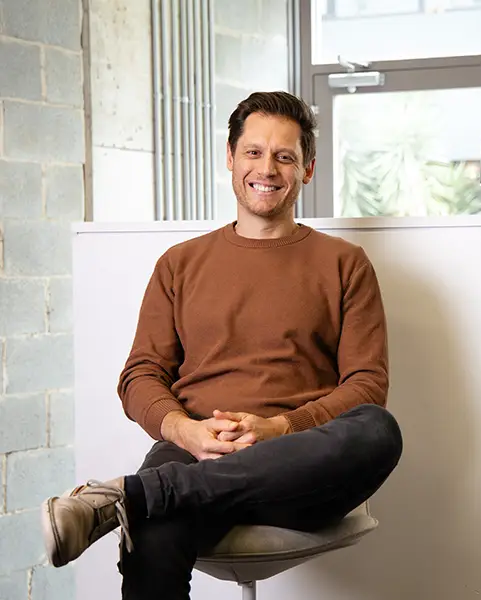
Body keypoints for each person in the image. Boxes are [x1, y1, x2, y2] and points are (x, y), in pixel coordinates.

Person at [41, 91, 402, 599]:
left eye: (285, 156)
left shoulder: (345, 263)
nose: (268, 169)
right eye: (254, 152)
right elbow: (140, 376)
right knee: (152, 539)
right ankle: (153, 496)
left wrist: (278, 427)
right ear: (230, 159)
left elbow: (367, 385)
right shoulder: (180, 263)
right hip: (194, 452)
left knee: (378, 430)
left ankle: (127, 496)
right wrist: (186, 432)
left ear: (308, 169)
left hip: (297, 466)